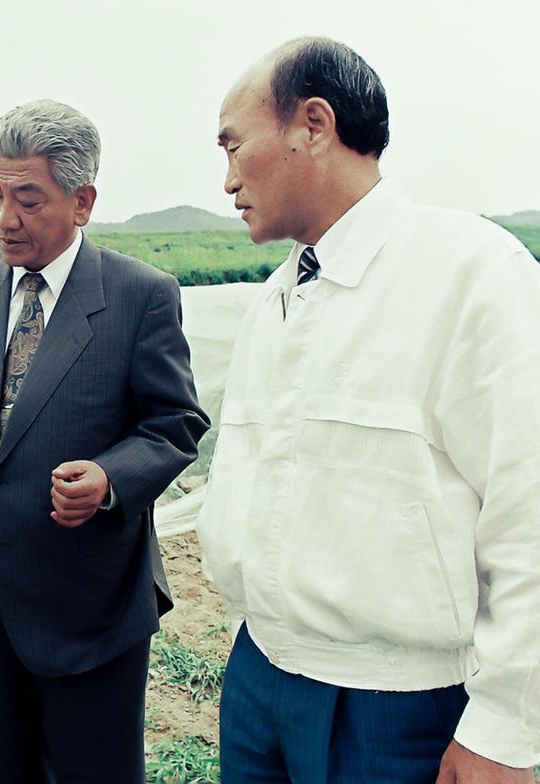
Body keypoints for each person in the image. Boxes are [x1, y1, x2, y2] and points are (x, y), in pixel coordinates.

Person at [200, 37, 540, 783]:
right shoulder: (276, 296)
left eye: (234, 147)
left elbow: (530, 507)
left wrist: (510, 726)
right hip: (258, 678)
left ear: (313, 126)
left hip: (396, 705)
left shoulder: (471, 272)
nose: (227, 180)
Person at [0, 99, 209, 782]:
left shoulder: (138, 295)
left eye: (28, 199)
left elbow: (176, 424)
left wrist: (110, 479)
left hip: (88, 597)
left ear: (82, 201)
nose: (5, 218)